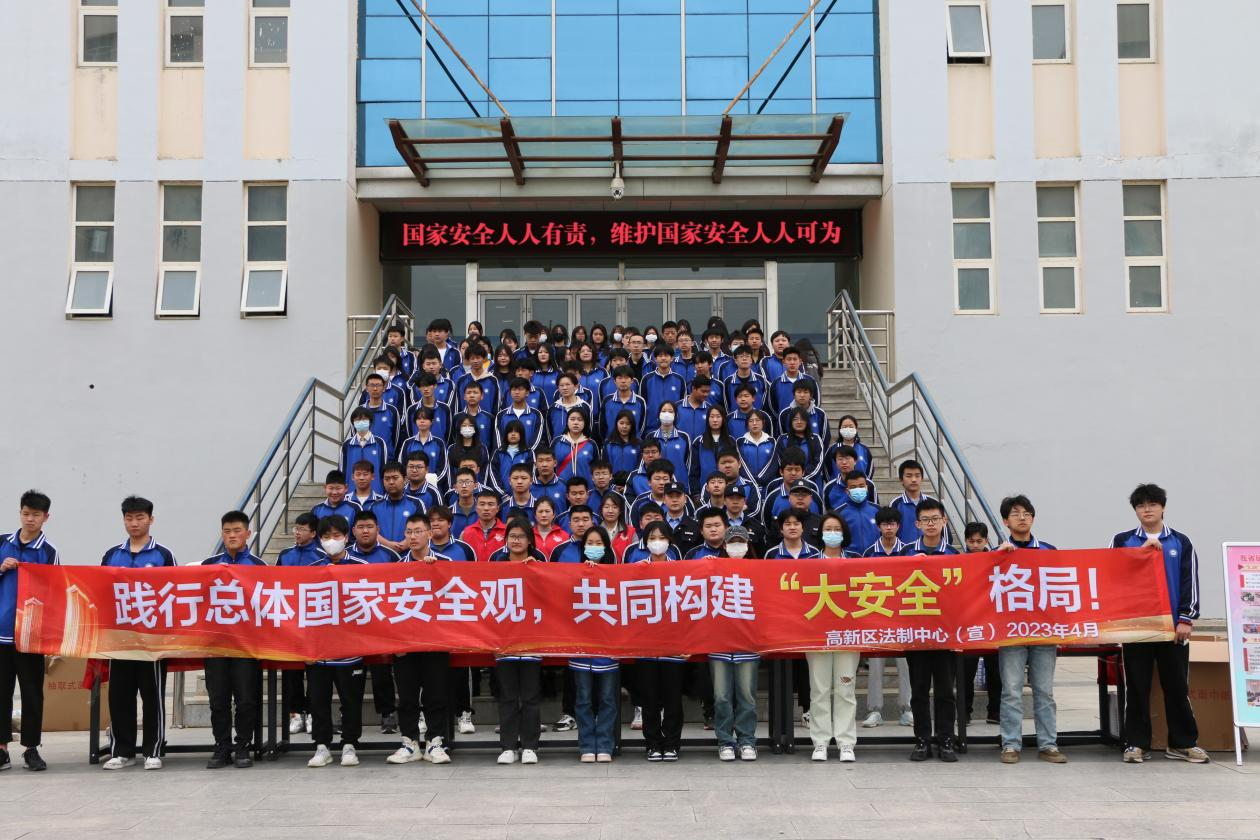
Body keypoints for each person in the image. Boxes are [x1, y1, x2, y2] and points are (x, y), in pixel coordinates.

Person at [1110, 483, 1208, 764]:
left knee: (1176, 687)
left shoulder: (1180, 541)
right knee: (1137, 687)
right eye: (1141, 505)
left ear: (1163, 507)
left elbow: (1190, 581)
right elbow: (1111, 578)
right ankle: (1136, 744)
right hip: (1137, 627)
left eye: (1152, 504)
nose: (1147, 509)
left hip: (1173, 628)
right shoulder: (1122, 541)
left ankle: (1182, 743)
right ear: (1135, 511)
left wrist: (1186, 618)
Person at [97, 496, 176, 771]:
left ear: (151, 520)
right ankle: (122, 751)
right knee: (119, 696)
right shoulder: (111, 555)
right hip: (119, 639)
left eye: (140, 517)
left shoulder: (163, 555)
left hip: (151, 642)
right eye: (129, 518)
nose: (134, 523)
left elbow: (175, 593)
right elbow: (101, 591)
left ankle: (153, 750)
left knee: (152, 697)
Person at [991, 495, 1065, 764]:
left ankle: (1048, 744)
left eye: (1026, 513)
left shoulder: (1048, 551)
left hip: (1044, 631)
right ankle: (1010, 744)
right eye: (1015, 513)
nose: (1022, 518)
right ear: (1005, 521)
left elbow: (1060, 588)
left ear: (1033, 518)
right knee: (1011, 690)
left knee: (1044, 691)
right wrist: (995, 558)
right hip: (1011, 631)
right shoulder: (998, 553)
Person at [303, 515, 370, 769]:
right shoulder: (311, 571)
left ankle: (350, 744)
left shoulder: (362, 567)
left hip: (351, 650)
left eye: (336, 536)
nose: (332, 541)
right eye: (326, 536)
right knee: (318, 700)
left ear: (346, 537)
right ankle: (322, 745)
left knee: (351, 701)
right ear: (319, 540)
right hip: (319, 651)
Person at [201, 511, 265, 769]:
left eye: (237, 530)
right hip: (216, 646)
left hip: (246, 646)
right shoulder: (209, 565)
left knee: (246, 699)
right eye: (227, 531)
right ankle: (222, 746)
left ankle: (243, 746)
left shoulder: (259, 566)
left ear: (248, 533)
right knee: (218, 701)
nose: (232, 535)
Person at [388, 514, 453, 765]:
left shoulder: (445, 564)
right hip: (405, 644)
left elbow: (455, 601)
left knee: (436, 694)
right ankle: (409, 742)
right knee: (407, 696)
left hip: (436, 641)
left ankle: (436, 741)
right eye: (408, 532)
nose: (413, 537)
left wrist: (436, 572)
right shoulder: (396, 566)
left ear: (429, 533)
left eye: (418, 531)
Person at [900, 499, 960, 762]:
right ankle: (922, 740)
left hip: (946, 634)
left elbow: (962, 594)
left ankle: (946, 739)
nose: (931, 524)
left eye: (935, 519)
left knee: (946, 691)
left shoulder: (954, 556)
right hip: (917, 634)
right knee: (919, 691)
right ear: (917, 524)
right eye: (925, 520)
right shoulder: (906, 555)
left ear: (944, 521)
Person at [805, 511, 860, 762]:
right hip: (816, 635)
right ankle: (820, 742)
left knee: (846, 689)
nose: (832, 533)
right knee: (819, 690)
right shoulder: (809, 563)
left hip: (848, 635)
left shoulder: (857, 561)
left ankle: (846, 742)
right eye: (828, 529)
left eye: (837, 529)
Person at [490, 519, 546, 765]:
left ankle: (531, 746)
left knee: (531, 697)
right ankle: (508, 746)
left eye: (521, 536)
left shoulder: (540, 567)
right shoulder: (496, 566)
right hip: (505, 643)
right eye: (512, 536)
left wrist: (535, 572)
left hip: (532, 642)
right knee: (508, 697)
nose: (516, 540)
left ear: (530, 541)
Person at [566, 527, 620, 763]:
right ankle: (587, 745)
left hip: (608, 648)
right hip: (581, 649)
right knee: (583, 699)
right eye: (590, 542)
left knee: (608, 699)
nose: (594, 547)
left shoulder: (617, 575)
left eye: (599, 543)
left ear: (606, 547)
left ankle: (605, 744)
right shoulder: (573, 574)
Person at [709, 524, 760, 761]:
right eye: (732, 542)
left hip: (748, 645)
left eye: (741, 542)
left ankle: (747, 740)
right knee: (721, 697)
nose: (736, 546)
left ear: (748, 545)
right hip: (719, 644)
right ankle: (725, 741)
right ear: (725, 546)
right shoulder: (713, 569)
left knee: (747, 696)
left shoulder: (758, 571)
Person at [276, 512, 323, 738]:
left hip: (315, 621)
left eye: (302, 529)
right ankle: (295, 713)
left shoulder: (322, 556)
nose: (297, 532)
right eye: (296, 528)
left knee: (315, 672)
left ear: (313, 533)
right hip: (291, 620)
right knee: (291, 672)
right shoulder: (285, 555)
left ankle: (313, 713)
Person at [962, 522, 1001, 726]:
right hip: (969, 626)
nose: (975, 545)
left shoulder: (996, 560)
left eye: (979, 541)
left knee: (996, 671)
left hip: (993, 624)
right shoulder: (958, 562)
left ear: (986, 540)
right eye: (971, 541)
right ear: (965, 541)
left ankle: (995, 711)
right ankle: (964, 712)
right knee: (966, 672)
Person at [890, 459, 948, 544]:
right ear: (901, 480)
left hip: (931, 551)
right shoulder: (896, 504)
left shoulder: (933, 502)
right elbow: (890, 532)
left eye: (917, 476)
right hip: (906, 551)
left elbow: (945, 532)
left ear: (922, 478)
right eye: (909, 476)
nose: (914, 480)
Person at [375, 462, 423, 554]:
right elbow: (371, 531)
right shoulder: (375, 506)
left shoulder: (416, 503)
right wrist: (388, 545)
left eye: (395, 478)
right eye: (387, 479)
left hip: (409, 556)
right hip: (381, 557)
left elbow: (422, 529)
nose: (391, 482)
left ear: (405, 479)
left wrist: (404, 544)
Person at [341, 407, 389, 493]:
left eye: (364, 419)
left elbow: (384, 469)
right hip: (351, 493)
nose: (361, 422)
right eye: (357, 420)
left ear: (370, 421)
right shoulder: (347, 445)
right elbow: (342, 470)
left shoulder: (380, 443)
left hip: (376, 492)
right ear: (353, 423)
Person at [836, 471, 880, 553]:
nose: (858, 489)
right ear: (847, 491)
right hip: (850, 558)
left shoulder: (877, 510)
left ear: (866, 488)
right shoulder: (839, 513)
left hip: (874, 557)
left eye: (861, 486)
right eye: (853, 487)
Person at [462, 490, 508, 562]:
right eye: (482, 504)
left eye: (490, 504)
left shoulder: (507, 532)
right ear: (476, 508)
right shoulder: (466, 533)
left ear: (497, 509)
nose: (486, 508)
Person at [553, 408, 597, 483]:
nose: (576, 423)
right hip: (561, 486)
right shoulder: (557, 442)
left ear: (585, 423)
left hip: (586, 487)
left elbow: (596, 468)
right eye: (572, 419)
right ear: (567, 422)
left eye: (580, 420)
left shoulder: (591, 444)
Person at [736, 411, 777, 487]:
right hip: (747, 485)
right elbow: (741, 465)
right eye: (751, 421)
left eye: (757, 420)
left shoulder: (772, 441)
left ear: (763, 422)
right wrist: (752, 482)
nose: (754, 423)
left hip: (767, 485)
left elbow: (773, 464)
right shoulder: (740, 442)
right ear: (747, 424)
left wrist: (761, 479)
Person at [604, 409, 642, 476]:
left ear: (632, 425)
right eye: (621, 423)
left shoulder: (639, 444)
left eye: (628, 424)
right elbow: (605, 465)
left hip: (632, 481)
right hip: (612, 481)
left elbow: (639, 466)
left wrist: (631, 479)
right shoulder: (608, 443)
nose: (624, 426)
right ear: (616, 423)